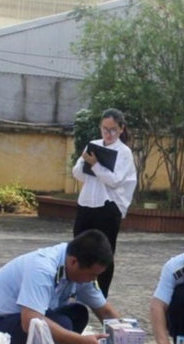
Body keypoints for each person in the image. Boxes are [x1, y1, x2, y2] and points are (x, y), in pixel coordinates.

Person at [0, 229, 146, 344]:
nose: (93, 280)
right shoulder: (42, 268)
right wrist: (82, 342)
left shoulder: (77, 266)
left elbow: (105, 312)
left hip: (13, 326)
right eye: (92, 275)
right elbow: (30, 321)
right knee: (63, 324)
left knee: (78, 313)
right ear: (74, 262)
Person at [72, 108, 138, 299]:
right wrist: (86, 163)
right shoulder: (93, 145)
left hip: (108, 207)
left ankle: (101, 297)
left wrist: (95, 165)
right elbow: (77, 173)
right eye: (104, 129)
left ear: (121, 129)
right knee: (78, 248)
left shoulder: (124, 152)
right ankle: (76, 291)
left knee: (104, 253)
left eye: (113, 130)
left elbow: (115, 180)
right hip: (86, 203)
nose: (108, 134)